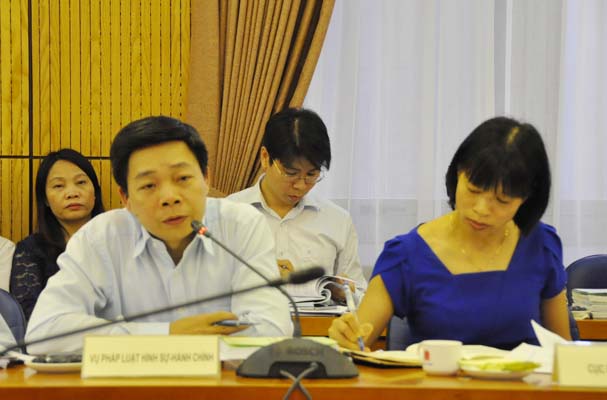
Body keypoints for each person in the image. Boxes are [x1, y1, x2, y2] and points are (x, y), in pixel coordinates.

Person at [26, 116, 292, 354]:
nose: (169, 197)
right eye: (149, 185)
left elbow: (271, 328)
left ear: (206, 178)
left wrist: (134, 343)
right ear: (126, 198)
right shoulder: (101, 237)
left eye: (183, 178)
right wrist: (166, 336)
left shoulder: (241, 226)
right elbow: (44, 332)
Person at [329, 116, 572, 351]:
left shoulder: (541, 245)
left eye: (502, 200)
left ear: (526, 198)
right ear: (457, 173)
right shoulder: (407, 254)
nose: (481, 209)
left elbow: (563, 352)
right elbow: (359, 338)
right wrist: (347, 335)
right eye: (473, 190)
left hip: (525, 380)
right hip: (436, 379)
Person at [228, 108, 367, 301]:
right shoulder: (228, 213)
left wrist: (346, 293)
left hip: (318, 320)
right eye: (291, 173)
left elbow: (360, 295)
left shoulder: (338, 220)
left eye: (311, 174)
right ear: (265, 158)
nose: (301, 185)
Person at [10, 149, 104, 321]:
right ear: (45, 199)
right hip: (58, 337)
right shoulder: (31, 250)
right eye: (58, 186)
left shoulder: (117, 241)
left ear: (95, 193)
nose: (72, 193)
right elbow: (29, 316)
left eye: (81, 182)